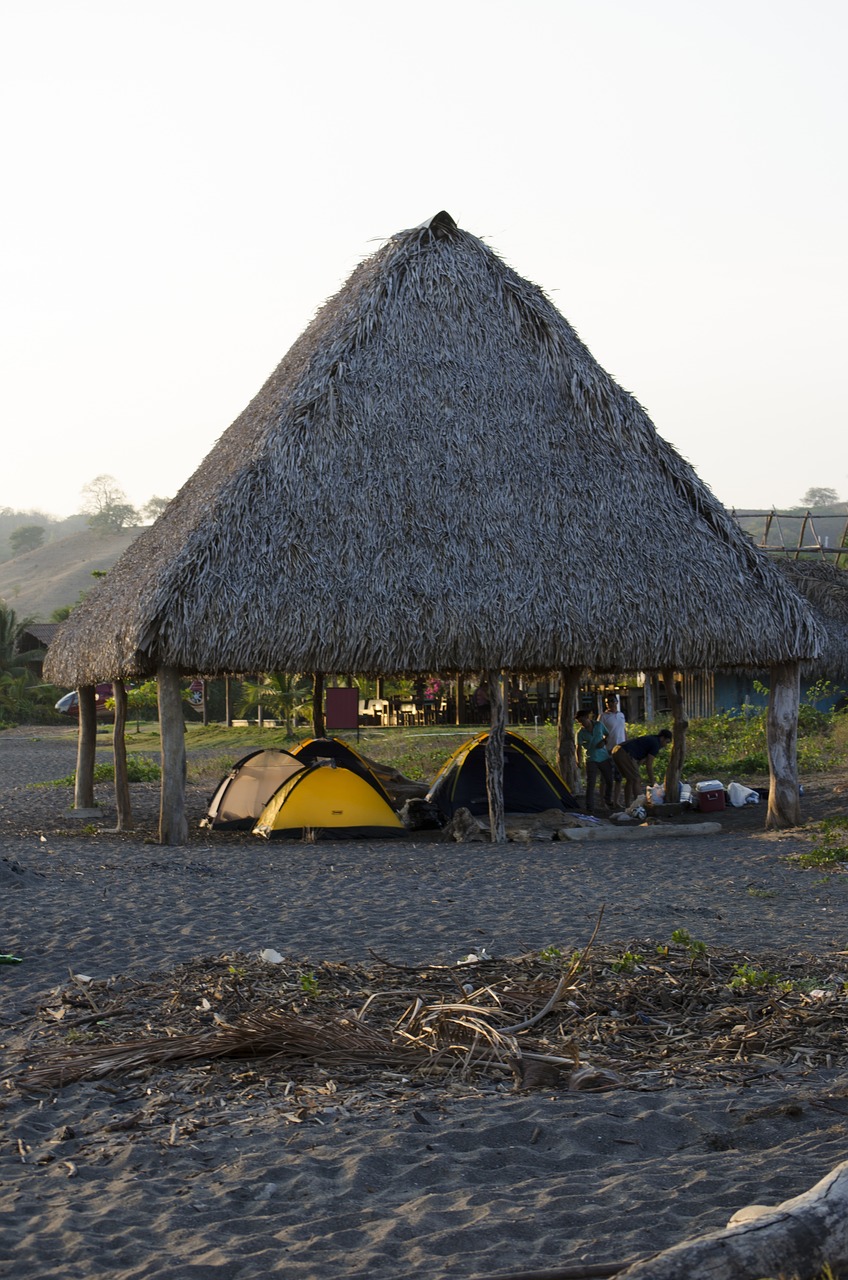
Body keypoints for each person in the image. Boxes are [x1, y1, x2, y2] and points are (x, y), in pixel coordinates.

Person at [611, 729, 673, 806]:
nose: (665, 745)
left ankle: (627, 805)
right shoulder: (656, 744)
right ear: (662, 738)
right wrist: (653, 781)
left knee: (630, 779)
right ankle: (639, 806)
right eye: (666, 742)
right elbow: (649, 765)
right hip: (625, 752)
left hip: (616, 749)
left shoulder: (652, 739)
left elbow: (642, 760)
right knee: (636, 779)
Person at [574, 709, 613, 814]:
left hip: (603, 757)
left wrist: (604, 742)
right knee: (591, 784)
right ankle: (590, 807)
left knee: (609, 780)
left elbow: (607, 735)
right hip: (591, 759)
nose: (582, 724)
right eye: (579, 722)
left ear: (588, 717)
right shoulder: (581, 733)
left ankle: (608, 800)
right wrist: (578, 760)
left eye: (583, 720)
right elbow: (578, 747)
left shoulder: (599, 725)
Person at [599, 694, 627, 806]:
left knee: (619, 778)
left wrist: (626, 744)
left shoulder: (621, 715)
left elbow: (623, 730)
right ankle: (603, 801)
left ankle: (616, 801)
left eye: (611, 701)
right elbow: (598, 732)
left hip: (620, 749)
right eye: (607, 702)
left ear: (616, 702)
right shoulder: (603, 716)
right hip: (608, 749)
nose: (610, 703)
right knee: (605, 777)